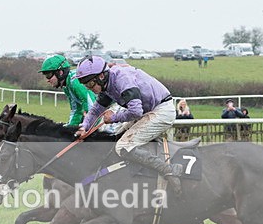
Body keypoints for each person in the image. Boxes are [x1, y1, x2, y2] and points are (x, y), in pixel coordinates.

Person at [75, 55, 183, 194]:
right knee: (115, 138)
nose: (88, 88)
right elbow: (96, 110)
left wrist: (114, 117)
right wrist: (84, 127)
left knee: (123, 146)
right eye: (85, 85)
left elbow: (136, 111)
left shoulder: (122, 80)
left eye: (89, 84)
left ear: (101, 76)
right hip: (148, 110)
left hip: (161, 111)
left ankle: (169, 170)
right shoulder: (107, 84)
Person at [39, 54, 95, 127]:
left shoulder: (75, 82)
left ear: (60, 72)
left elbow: (92, 108)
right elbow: (77, 110)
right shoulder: (67, 86)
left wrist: (86, 128)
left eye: (48, 75)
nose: (47, 80)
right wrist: (69, 128)